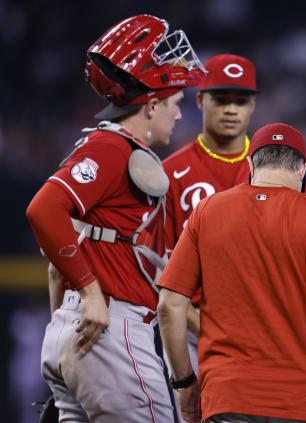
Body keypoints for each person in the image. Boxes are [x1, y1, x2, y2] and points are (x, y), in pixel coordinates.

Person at [25, 14, 205, 422]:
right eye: (174, 104)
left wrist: (66, 319)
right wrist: (90, 294)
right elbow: (42, 209)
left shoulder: (106, 148)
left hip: (75, 333)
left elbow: (57, 266)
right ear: (152, 104)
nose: (179, 116)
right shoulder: (112, 148)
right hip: (112, 330)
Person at [157, 123, 306, 423]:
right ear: (303, 168)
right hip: (301, 402)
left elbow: (169, 305)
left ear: (251, 164)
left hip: (227, 396)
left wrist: (184, 383)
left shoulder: (207, 211)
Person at [162, 53, 259, 374]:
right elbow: (159, 268)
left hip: (264, 326)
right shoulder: (171, 173)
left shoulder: (274, 169)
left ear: (252, 106)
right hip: (195, 329)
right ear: (201, 100)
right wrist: (203, 327)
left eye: (241, 100)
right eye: (221, 99)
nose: (231, 109)